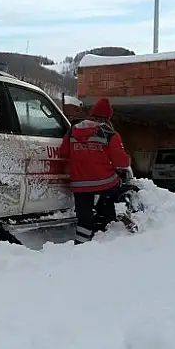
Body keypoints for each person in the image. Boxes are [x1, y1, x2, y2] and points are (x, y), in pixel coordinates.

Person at [59, 97, 131, 245]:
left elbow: (63, 153)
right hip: (104, 182)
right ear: (107, 117)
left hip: (79, 184)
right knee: (113, 199)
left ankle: (81, 245)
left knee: (84, 219)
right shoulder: (109, 133)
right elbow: (121, 162)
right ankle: (108, 232)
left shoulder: (72, 131)